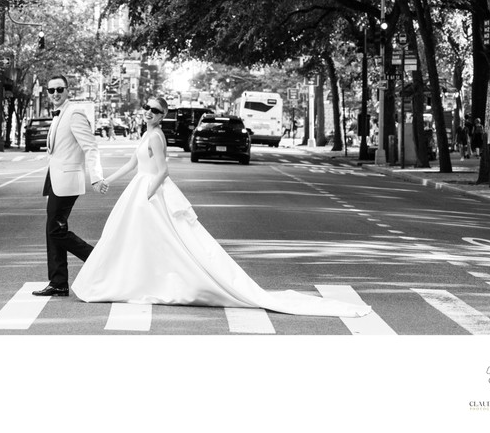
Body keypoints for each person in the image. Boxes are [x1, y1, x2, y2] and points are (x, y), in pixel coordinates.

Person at [71, 97, 372, 318]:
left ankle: (158, 282)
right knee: (137, 241)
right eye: (147, 108)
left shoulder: (158, 136)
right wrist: (103, 181)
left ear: (162, 116)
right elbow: (132, 163)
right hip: (139, 191)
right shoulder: (145, 135)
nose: (149, 113)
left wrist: (148, 195)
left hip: (150, 194)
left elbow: (162, 171)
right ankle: (137, 279)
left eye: (155, 111)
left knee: (168, 242)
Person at [32, 75, 105, 297]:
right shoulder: (58, 115)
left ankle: (97, 259)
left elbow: (91, 147)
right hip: (55, 180)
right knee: (52, 230)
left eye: (59, 89)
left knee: (56, 229)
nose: (55, 94)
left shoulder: (74, 113)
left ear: (67, 90)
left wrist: (96, 176)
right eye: (51, 90)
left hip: (67, 181)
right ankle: (58, 282)